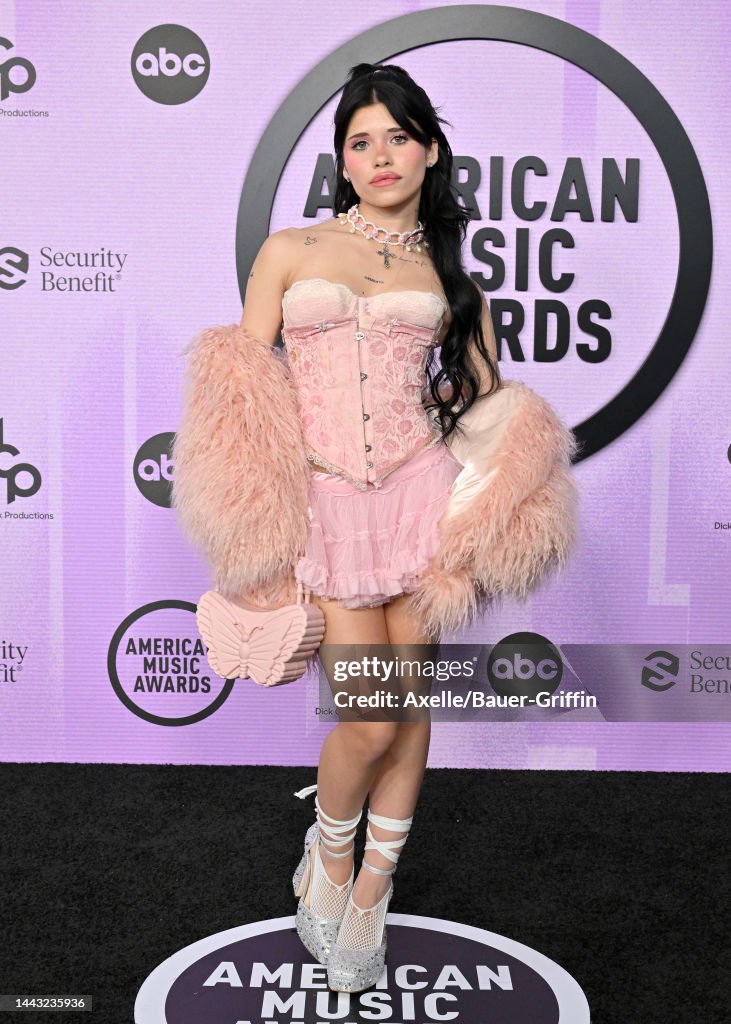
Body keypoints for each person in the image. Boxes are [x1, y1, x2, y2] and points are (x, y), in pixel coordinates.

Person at [171, 63, 578, 994]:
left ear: (427, 151)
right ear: (343, 161)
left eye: (398, 136)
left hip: (420, 502)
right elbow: (243, 400)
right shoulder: (288, 249)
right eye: (362, 140)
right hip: (325, 507)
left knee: (412, 711)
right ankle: (327, 850)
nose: (380, 154)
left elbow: (489, 404)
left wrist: (504, 489)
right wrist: (253, 520)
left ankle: (368, 898)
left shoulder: (447, 271)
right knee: (370, 714)